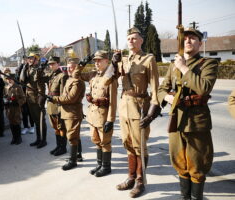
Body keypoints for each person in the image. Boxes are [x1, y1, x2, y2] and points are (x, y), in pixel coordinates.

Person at [158, 28, 219, 200]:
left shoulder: (208, 63)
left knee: (197, 163)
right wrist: (166, 98)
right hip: (177, 119)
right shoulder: (173, 65)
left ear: (200, 43)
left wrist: (184, 67)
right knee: (179, 162)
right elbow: (162, 88)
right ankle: (185, 197)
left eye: (193, 39)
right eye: (185, 39)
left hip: (196, 122)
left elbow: (204, 88)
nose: (188, 41)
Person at [112, 27, 161, 198]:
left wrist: (153, 112)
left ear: (141, 41)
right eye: (129, 38)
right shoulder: (123, 60)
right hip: (124, 106)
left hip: (139, 106)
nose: (131, 41)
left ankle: (141, 181)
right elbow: (110, 79)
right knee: (127, 143)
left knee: (139, 145)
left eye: (134, 38)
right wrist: (113, 62)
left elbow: (155, 87)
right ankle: (131, 177)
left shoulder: (148, 59)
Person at [74, 50, 118, 177]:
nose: (97, 63)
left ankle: (106, 166)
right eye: (95, 60)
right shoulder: (93, 75)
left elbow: (113, 102)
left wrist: (110, 119)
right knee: (96, 140)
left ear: (106, 61)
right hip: (93, 115)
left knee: (105, 142)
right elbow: (76, 75)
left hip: (104, 115)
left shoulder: (110, 78)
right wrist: (82, 64)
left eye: (99, 60)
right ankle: (99, 164)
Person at [47, 57, 85, 170]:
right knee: (73, 134)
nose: (69, 69)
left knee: (72, 136)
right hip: (67, 111)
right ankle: (77, 155)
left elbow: (70, 98)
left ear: (77, 68)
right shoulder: (69, 79)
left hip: (73, 112)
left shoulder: (77, 81)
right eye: (68, 67)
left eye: (72, 67)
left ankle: (73, 161)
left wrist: (54, 99)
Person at [20, 52, 47, 148]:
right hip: (30, 98)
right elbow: (22, 80)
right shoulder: (28, 68)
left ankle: (43, 140)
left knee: (40, 120)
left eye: (32, 58)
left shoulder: (39, 69)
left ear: (37, 60)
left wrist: (41, 97)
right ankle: (38, 139)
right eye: (29, 58)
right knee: (36, 120)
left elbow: (41, 85)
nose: (30, 60)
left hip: (37, 98)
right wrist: (24, 67)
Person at [46, 56, 68, 156]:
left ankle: (63, 147)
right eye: (50, 64)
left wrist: (60, 107)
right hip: (51, 105)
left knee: (61, 127)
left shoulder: (62, 76)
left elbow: (63, 94)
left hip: (58, 106)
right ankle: (58, 146)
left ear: (58, 64)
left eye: (53, 63)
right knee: (55, 128)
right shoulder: (51, 75)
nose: (51, 65)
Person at [4, 75, 26, 145]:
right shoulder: (6, 87)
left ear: (13, 79)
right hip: (9, 108)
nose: (9, 80)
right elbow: (5, 96)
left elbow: (23, 98)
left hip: (16, 108)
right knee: (11, 123)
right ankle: (14, 137)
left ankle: (19, 138)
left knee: (17, 122)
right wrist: (5, 101)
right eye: (7, 79)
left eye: (10, 79)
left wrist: (18, 102)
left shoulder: (18, 87)